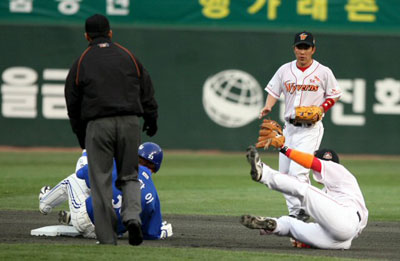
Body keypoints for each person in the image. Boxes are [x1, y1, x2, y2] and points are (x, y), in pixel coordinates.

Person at [64, 14, 158, 245]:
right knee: (130, 176)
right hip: (129, 122)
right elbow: (146, 88)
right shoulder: (128, 56)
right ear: (110, 32)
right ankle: (133, 217)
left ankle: (107, 238)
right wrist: (151, 119)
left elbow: (72, 102)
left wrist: (81, 135)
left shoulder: (82, 61)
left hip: (98, 125)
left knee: (101, 182)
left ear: (86, 35)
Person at [258, 31, 342, 220]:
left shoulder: (323, 71)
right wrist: (268, 106)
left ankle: (305, 209)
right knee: (285, 175)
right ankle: (296, 213)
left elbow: (334, 94)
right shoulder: (284, 70)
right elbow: (274, 90)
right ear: (294, 48)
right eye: (299, 47)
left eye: (306, 47)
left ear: (313, 49)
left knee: (298, 171)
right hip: (288, 129)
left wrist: (322, 109)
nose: (302, 51)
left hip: (310, 130)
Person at [241, 146, 368, 249]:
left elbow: (313, 163)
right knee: (289, 223)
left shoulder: (340, 171)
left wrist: (284, 149)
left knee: (304, 190)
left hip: (346, 220)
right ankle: (273, 224)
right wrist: (308, 239)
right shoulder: (331, 191)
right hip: (342, 240)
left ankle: (264, 174)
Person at [39, 142, 172, 241]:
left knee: (73, 179)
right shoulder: (153, 195)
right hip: (112, 234)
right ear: (156, 168)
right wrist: (163, 231)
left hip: (86, 221)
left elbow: (82, 173)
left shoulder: (118, 165)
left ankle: (45, 203)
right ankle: (71, 219)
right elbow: (150, 234)